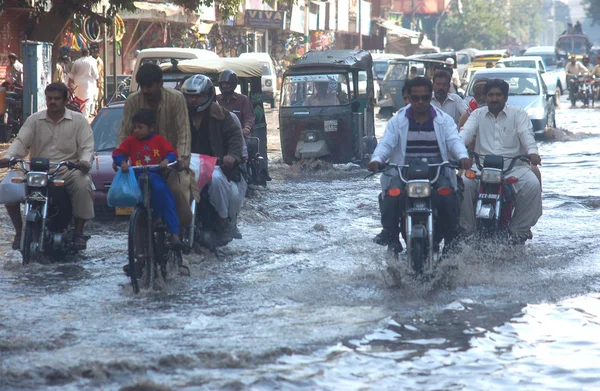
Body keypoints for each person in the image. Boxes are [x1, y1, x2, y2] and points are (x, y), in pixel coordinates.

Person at [367, 77, 471, 253]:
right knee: (392, 195)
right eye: (415, 98)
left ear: (430, 96)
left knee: (448, 195)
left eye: (424, 97)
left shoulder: (444, 120)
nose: (420, 102)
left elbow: (454, 141)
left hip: (437, 173)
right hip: (404, 174)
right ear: (409, 97)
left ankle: (452, 236)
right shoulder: (397, 120)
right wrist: (376, 159)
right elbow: (386, 143)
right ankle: (391, 236)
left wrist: (462, 156)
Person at [0, 82, 94, 250]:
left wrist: (85, 162)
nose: (53, 102)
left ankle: (79, 232)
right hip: (36, 170)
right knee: (8, 184)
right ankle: (20, 232)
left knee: (83, 182)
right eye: (49, 98)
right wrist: (9, 157)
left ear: (65, 100)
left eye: (57, 98)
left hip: (66, 170)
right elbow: (21, 142)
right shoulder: (34, 120)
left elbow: (87, 147)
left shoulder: (79, 120)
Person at [459, 79, 542, 244]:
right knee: (462, 184)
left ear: (506, 97)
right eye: (490, 95)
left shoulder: (518, 114)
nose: (494, 99)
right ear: (486, 97)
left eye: (498, 95)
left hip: (514, 167)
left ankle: (519, 231)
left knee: (532, 184)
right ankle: (467, 231)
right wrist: (459, 151)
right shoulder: (477, 114)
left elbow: (527, 135)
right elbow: (465, 133)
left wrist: (532, 153)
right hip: (481, 167)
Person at [118, 63, 193, 234]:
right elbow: (124, 132)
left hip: (171, 162)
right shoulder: (133, 101)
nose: (145, 90)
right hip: (142, 164)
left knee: (177, 192)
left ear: (160, 83)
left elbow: (184, 133)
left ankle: (179, 233)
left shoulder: (176, 99)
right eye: (142, 86)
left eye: (149, 86)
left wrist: (181, 159)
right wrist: (120, 158)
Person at [181, 74, 244, 244]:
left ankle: (222, 219)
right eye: (189, 96)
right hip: (185, 165)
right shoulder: (179, 116)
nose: (193, 100)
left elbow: (235, 139)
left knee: (216, 180)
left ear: (208, 96)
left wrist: (231, 156)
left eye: (197, 96)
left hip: (215, 165)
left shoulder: (223, 116)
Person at [113, 109, 182, 247]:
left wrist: (166, 161)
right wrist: (122, 163)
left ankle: (174, 234)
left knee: (166, 197)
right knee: (138, 206)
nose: (136, 130)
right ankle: (138, 249)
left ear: (151, 128)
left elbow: (172, 153)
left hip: (155, 174)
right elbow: (118, 153)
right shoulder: (131, 141)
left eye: (140, 127)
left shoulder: (159, 140)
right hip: (137, 176)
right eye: (135, 127)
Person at [216, 70, 255, 137]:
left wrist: (247, 128)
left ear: (233, 84)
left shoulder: (243, 100)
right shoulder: (216, 100)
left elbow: (249, 118)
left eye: (227, 84)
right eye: (223, 83)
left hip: (239, 137)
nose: (225, 86)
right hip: (219, 138)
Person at [71, 47, 99, 118]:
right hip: (88, 84)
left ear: (81, 53)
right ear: (88, 53)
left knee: (77, 100)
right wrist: (98, 82)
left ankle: (78, 116)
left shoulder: (76, 62)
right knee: (86, 101)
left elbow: (72, 74)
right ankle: (85, 117)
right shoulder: (91, 62)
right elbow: (95, 75)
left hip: (77, 83)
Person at [91, 45, 105, 113]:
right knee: (94, 97)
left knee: (99, 97)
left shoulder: (99, 61)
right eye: (94, 52)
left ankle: (101, 109)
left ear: (98, 53)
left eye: (96, 53)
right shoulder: (92, 60)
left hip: (99, 81)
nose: (94, 54)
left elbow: (97, 71)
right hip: (94, 81)